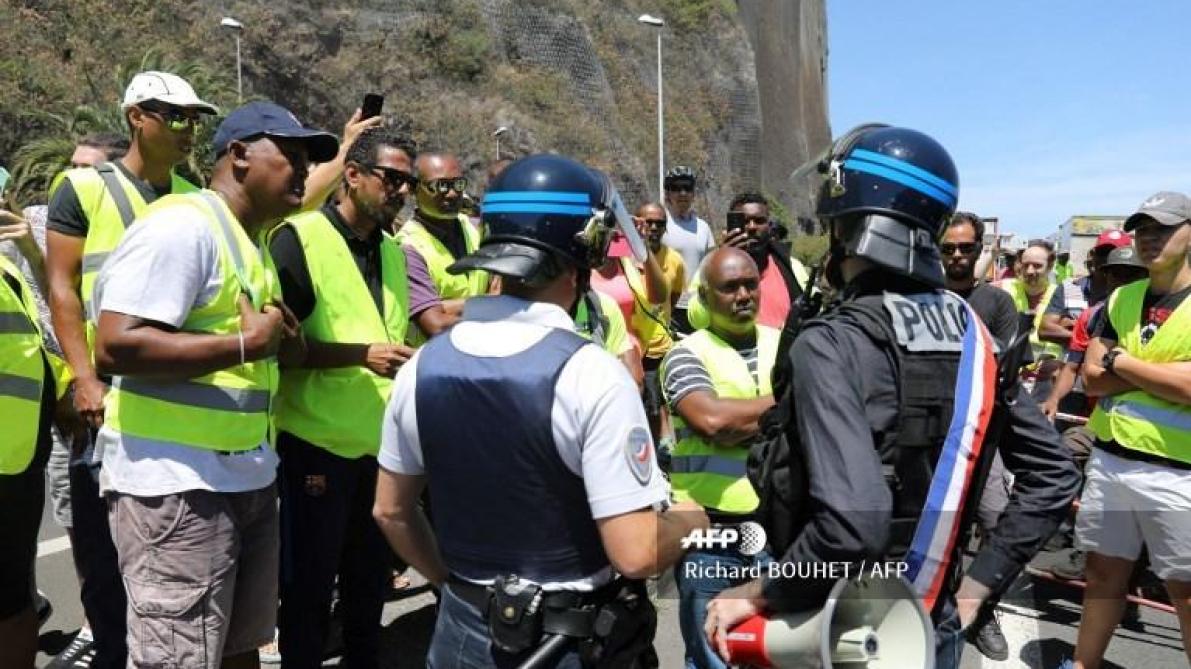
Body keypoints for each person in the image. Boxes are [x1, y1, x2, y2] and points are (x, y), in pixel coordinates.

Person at [702, 125, 1079, 669]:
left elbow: (853, 525)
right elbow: (1054, 477)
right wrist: (976, 588)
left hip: (828, 621)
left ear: (845, 222)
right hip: (928, 620)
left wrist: (759, 592)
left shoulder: (831, 341)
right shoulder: (977, 337)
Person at [373, 154, 709, 668]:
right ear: (587, 249)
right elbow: (637, 552)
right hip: (566, 642)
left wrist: (453, 585)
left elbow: (391, 511)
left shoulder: (422, 367)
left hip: (461, 634)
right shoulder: (592, 373)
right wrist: (691, 520)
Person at [92, 101, 336, 669]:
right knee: (178, 658)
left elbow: (257, 351)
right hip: (177, 487)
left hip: (244, 476)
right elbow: (116, 344)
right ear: (240, 155)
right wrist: (247, 344)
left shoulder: (251, 242)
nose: (304, 171)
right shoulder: (183, 227)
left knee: (239, 649)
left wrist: (280, 342)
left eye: (309, 160)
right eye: (292, 156)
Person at [44, 70, 218, 669]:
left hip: (175, 399)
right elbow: (62, 288)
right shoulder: (83, 188)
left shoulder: (196, 197)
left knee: (166, 561)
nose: (188, 129)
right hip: (106, 401)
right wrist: (83, 378)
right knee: (104, 559)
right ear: (136, 118)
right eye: (175, 116)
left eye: (194, 119)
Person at [266, 126, 416, 669]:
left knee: (368, 588)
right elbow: (277, 349)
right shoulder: (299, 238)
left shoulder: (393, 252)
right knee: (308, 591)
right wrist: (360, 355)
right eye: (392, 178)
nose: (402, 191)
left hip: (378, 447)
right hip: (316, 444)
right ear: (351, 175)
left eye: (407, 182)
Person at [1074, 191, 1191, 668]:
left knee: (1185, 592)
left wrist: (1122, 362)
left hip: (1179, 473)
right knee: (1103, 576)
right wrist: (1163, 374)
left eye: (1163, 228)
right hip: (1112, 460)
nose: (1149, 238)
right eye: (1143, 229)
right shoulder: (1122, 297)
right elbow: (1091, 377)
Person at [662, 247, 776, 669]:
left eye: (750, 284)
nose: (743, 295)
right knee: (712, 654)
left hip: (777, 526)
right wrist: (789, 404)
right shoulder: (685, 354)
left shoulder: (786, 345)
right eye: (730, 287)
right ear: (706, 297)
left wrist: (744, 418)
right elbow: (713, 422)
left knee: (775, 651)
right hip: (710, 532)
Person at [940, 210, 1022, 661]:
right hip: (932, 440)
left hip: (984, 438)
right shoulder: (921, 299)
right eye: (948, 247)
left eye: (965, 247)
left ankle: (980, 610)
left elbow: (1006, 371)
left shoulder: (997, 303)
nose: (956, 255)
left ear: (979, 251)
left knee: (996, 521)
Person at [0, 252, 72, 668]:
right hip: (16, 457)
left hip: (15, 461)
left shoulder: (6, 269)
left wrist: (65, 391)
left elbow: (35, 349)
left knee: (11, 603)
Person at [399, 152, 489, 344]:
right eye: (440, 186)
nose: (452, 193)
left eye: (458, 184)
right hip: (435, 356)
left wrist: (448, 306)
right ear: (414, 189)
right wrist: (491, 305)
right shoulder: (408, 247)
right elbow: (435, 324)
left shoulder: (475, 229)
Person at [720, 192, 807, 329]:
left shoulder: (792, 266)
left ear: (769, 225)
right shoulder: (713, 268)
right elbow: (696, 317)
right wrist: (723, 261)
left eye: (759, 221)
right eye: (745, 221)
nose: (752, 227)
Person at [1039, 230, 1132, 350]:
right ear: (1093, 255)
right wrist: (1099, 342)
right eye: (1102, 253)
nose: (1107, 259)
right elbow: (1045, 330)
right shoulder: (1068, 288)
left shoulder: (1133, 293)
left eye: (1114, 254)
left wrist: (1076, 328)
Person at [996, 239, 1062, 398]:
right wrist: (990, 254)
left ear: (1050, 266)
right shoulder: (1004, 288)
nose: (1030, 271)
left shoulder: (1062, 295)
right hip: (1010, 378)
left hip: (1048, 381)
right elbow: (972, 288)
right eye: (1025, 265)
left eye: (1037, 266)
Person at [662, 166, 715, 333]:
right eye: (676, 188)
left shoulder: (703, 227)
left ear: (693, 193)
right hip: (667, 306)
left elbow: (710, 265)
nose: (682, 193)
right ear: (667, 193)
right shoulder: (659, 225)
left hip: (697, 306)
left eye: (687, 188)